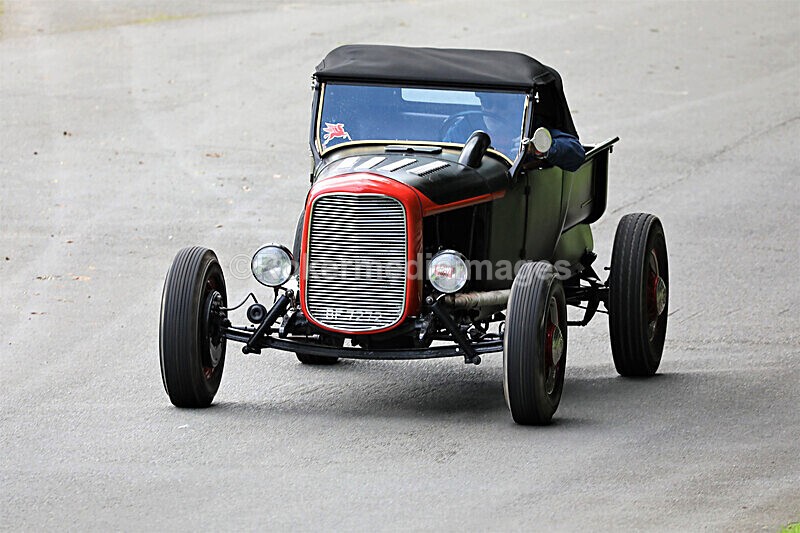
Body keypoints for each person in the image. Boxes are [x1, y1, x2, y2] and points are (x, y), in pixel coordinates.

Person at [444, 92, 585, 172]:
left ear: (516, 103)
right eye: (487, 103)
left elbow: (576, 153)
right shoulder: (466, 126)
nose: (493, 110)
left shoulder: (531, 126)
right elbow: (444, 153)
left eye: (501, 105)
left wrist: (539, 148)